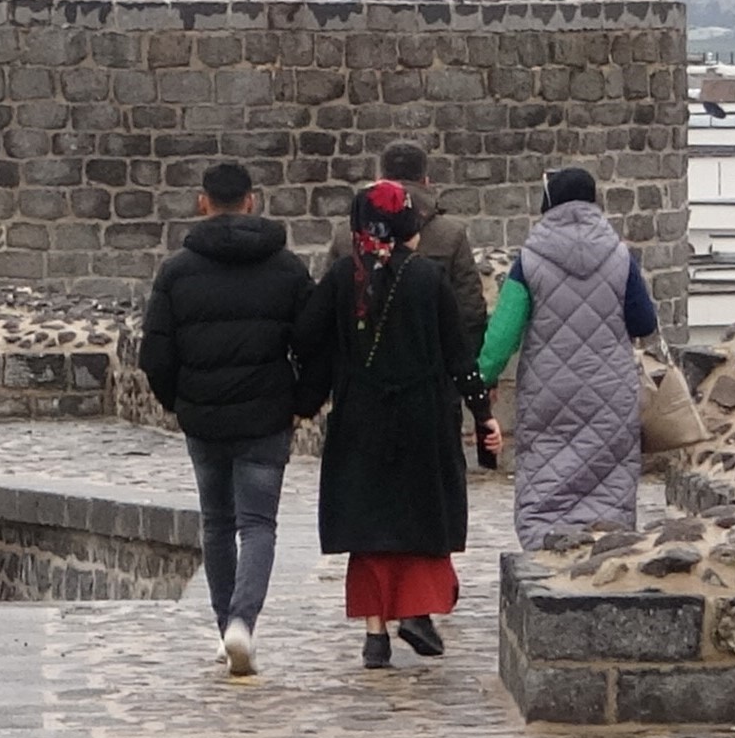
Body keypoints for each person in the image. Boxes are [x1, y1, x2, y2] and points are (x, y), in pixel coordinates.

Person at [138, 159, 312, 677]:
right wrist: (300, 400)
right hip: (266, 415)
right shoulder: (287, 269)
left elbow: (156, 355)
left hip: (204, 417)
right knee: (258, 525)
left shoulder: (177, 272)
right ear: (252, 201)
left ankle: (224, 627)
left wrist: (179, 402)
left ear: (203, 202)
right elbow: (312, 342)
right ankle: (243, 622)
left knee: (216, 523)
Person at [296, 180, 472, 670]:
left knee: (369, 527)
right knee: (419, 520)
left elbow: (308, 339)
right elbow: (459, 354)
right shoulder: (427, 279)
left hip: (360, 418)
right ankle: (415, 610)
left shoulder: (340, 278)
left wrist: (303, 399)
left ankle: (376, 635)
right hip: (422, 417)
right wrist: (483, 413)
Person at [477, 166, 656, 549]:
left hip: (549, 392)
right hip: (611, 391)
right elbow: (643, 322)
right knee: (609, 478)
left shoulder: (530, 260)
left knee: (548, 471)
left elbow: (503, 334)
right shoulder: (620, 257)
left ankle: (546, 548)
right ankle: (608, 548)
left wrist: (483, 377)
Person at [328, 142, 496, 467]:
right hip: (431, 381)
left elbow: (330, 315)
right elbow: (470, 313)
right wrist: (463, 374)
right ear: (427, 181)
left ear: (379, 178)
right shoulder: (451, 234)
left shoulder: (344, 237)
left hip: (362, 382)